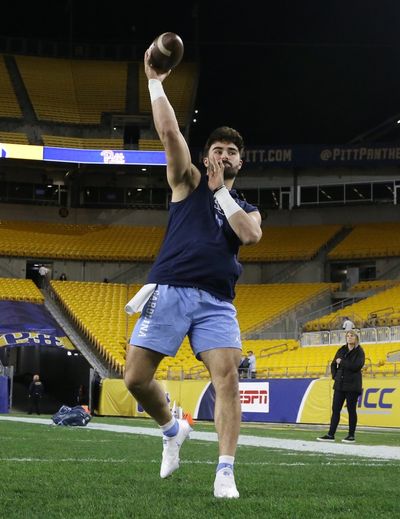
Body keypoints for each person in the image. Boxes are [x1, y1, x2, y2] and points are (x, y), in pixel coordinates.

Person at [124, 47, 262, 499]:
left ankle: (225, 471)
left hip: (216, 301)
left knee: (228, 375)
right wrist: (155, 82)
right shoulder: (186, 182)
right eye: (217, 149)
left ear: (240, 163)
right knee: (135, 380)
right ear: (206, 157)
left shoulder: (247, 207)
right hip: (171, 288)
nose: (223, 154)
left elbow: (248, 236)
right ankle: (172, 428)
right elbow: (168, 133)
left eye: (232, 152)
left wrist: (223, 192)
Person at [317, 330, 365, 443]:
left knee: (351, 410)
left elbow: (356, 366)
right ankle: (330, 434)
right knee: (335, 409)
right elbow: (334, 364)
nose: (349, 338)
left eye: (352, 336)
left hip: (352, 385)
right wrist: (335, 376)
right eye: (347, 336)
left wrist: (342, 362)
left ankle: (351, 435)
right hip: (340, 384)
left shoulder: (359, 352)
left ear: (356, 338)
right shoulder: (341, 349)